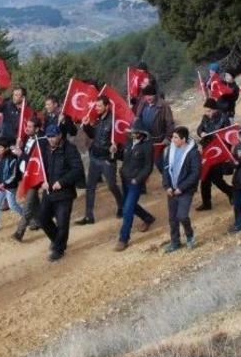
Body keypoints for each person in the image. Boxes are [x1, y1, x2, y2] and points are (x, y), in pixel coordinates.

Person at [38, 122, 84, 262]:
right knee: (43, 219)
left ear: (59, 135)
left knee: (62, 223)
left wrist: (62, 182)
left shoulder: (70, 149)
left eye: (53, 136)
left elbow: (77, 170)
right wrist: (42, 181)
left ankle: (59, 249)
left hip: (64, 193)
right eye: (48, 137)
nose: (51, 139)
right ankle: (58, 240)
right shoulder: (44, 149)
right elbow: (40, 167)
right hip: (48, 192)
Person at [77, 96, 121, 225]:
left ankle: (122, 206)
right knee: (90, 187)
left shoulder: (114, 120)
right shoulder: (97, 119)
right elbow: (93, 135)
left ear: (107, 106)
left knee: (112, 185)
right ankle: (89, 216)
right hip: (95, 157)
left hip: (107, 159)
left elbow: (120, 137)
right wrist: (85, 126)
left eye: (99, 106)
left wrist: (116, 147)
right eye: (96, 106)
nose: (97, 108)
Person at [158, 126, 201, 253]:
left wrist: (181, 188)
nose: (173, 139)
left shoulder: (193, 153)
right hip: (172, 189)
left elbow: (195, 174)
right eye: (172, 137)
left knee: (182, 216)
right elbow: (166, 169)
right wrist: (167, 186)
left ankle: (189, 235)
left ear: (183, 139)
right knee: (172, 218)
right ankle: (175, 242)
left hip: (185, 190)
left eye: (176, 137)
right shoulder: (169, 151)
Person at [114, 122, 156, 252]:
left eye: (135, 132)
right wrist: (115, 152)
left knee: (127, 210)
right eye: (132, 132)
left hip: (135, 182)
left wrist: (137, 179)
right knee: (130, 205)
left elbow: (148, 166)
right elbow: (125, 157)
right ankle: (148, 218)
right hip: (125, 179)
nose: (133, 134)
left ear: (142, 133)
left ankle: (123, 239)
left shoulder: (147, 146)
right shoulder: (128, 142)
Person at [11, 118, 48, 241]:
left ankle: (19, 232)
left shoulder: (41, 141)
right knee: (35, 202)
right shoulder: (29, 137)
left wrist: (21, 154)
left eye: (30, 127)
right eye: (27, 126)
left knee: (27, 205)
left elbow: (35, 161)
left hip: (34, 177)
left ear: (37, 129)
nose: (27, 128)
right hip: (26, 175)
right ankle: (39, 222)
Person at [195, 99, 233, 211]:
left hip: (219, 152)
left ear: (215, 110)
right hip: (207, 150)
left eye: (209, 111)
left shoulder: (223, 118)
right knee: (205, 178)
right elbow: (199, 128)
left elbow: (228, 136)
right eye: (206, 111)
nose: (207, 113)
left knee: (216, 179)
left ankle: (231, 192)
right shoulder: (205, 117)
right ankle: (206, 203)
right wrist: (201, 133)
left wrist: (226, 153)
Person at [133, 84, 175, 159]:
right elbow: (137, 119)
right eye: (146, 95)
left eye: (150, 95)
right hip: (145, 139)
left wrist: (168, 139)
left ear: (155, 95)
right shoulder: (142, 104)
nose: (148, 97)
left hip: (159, 141)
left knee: (159, 161)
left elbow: (170, 124)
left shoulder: (163, 105)